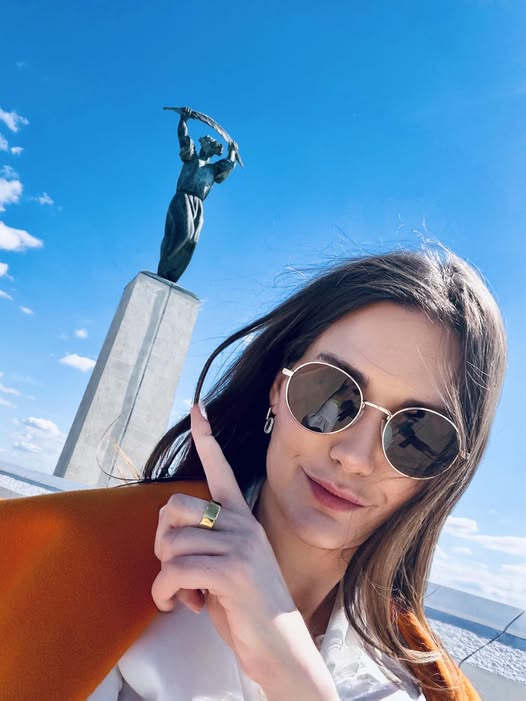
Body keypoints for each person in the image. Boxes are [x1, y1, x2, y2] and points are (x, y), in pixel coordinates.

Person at [86, 245, 505, 700]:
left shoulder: (421, 686)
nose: (355, 456)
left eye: (417, 433)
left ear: (441, 476)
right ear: (277, 389)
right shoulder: (98, 570)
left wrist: (295, 681)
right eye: (331, 393)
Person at [157, 107, 238, 283]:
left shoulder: (213, 169)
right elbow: (183, 138)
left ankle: (172, 276)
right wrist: (183, 120)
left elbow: (228, 165)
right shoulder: (191, 157)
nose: (209, 146)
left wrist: (232, 151)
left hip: (198, 205)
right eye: (209, 143)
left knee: (191, 241)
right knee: (183, 234)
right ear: (203, 145)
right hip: (182, 199)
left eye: (212, 145)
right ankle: (163, 271)